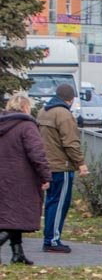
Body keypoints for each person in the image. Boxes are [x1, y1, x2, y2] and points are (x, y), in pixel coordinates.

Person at [0, 94, 52, 264]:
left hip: (4, 178)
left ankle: (18, 253)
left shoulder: (2, 124)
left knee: (10, 216)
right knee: (16, 217)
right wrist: (45, 175)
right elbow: (37, 154)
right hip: (21, 179)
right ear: (25, 108)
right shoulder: (27, 126)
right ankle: (16, 253)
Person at [37, 82, 88, 252]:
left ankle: (49, 237)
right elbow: (70, 143)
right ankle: (52, 240)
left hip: (47, 165)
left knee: (51, 202)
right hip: (61, 166)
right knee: (60, 204)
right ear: (70, 99)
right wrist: (80, 163)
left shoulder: (43, 111)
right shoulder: (64, 115)